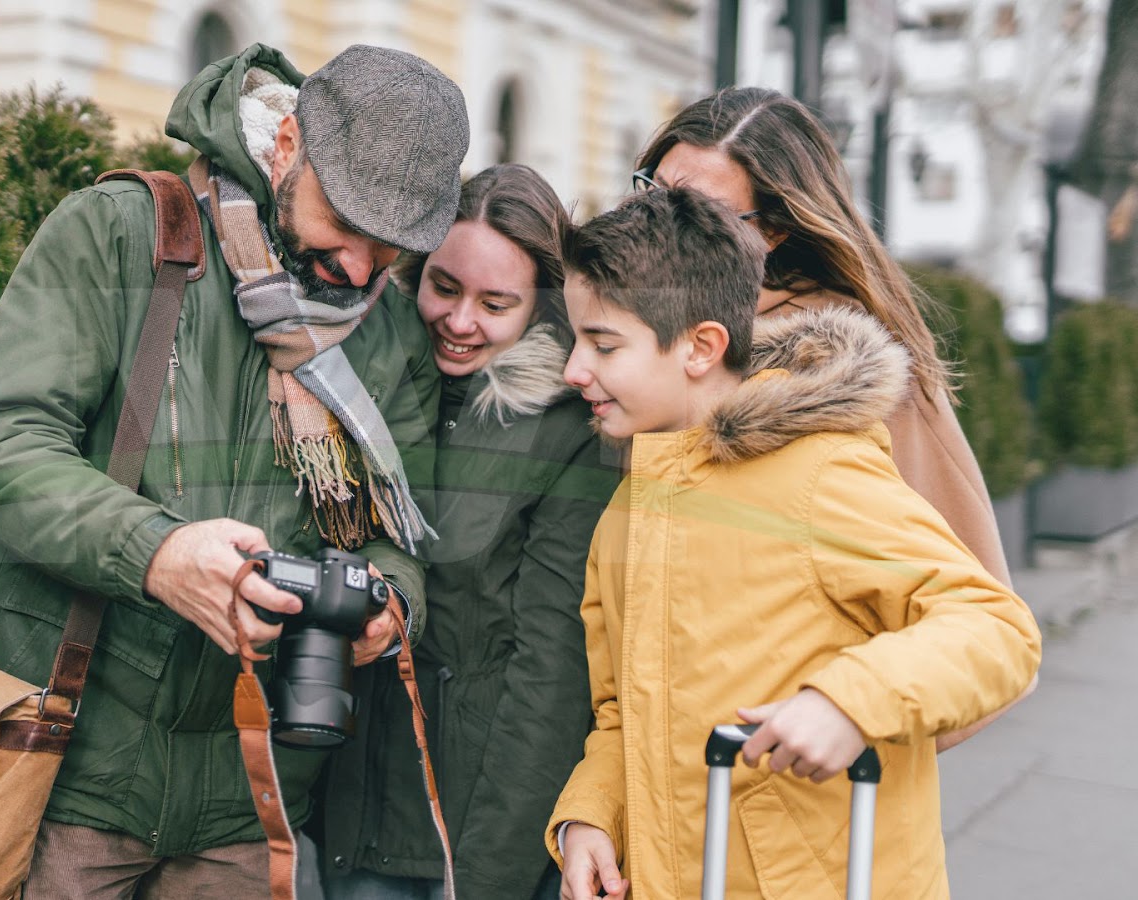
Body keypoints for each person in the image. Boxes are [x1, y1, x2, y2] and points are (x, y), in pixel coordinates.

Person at [0, 43, 468, 899]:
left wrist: (389, 605)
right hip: (65, 783)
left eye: (394, 248)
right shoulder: (118, 234)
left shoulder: (393, 332)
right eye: (348, 224)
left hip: (253, 809)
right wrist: (156, 555)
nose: (362, 272)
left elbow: (397, 539)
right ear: (288, 142)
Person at [545, 185, 1042, 900]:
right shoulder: (629, 507)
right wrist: (591, 815)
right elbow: (627, 711)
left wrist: (849, 703)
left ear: (701, 346)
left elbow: (996, 628)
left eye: (602, 344)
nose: (574, 369)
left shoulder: (820, 472)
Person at [630, 87, 1033, 750]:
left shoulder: (849, 373)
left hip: (766, 782)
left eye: (705, 213)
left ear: (775, 230)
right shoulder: (603, 332)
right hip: (611, 771)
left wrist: (849, 715)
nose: (664, 226)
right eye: (655, 193)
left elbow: (982, 618)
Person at [321, 165, 619, 900]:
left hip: (474, 832)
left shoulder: (567, 431)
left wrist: (489, 875)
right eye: (444, 288)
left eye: (496, 303)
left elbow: (551, 671)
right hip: (351, 811)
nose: (460, 321)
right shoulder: (359, 385)